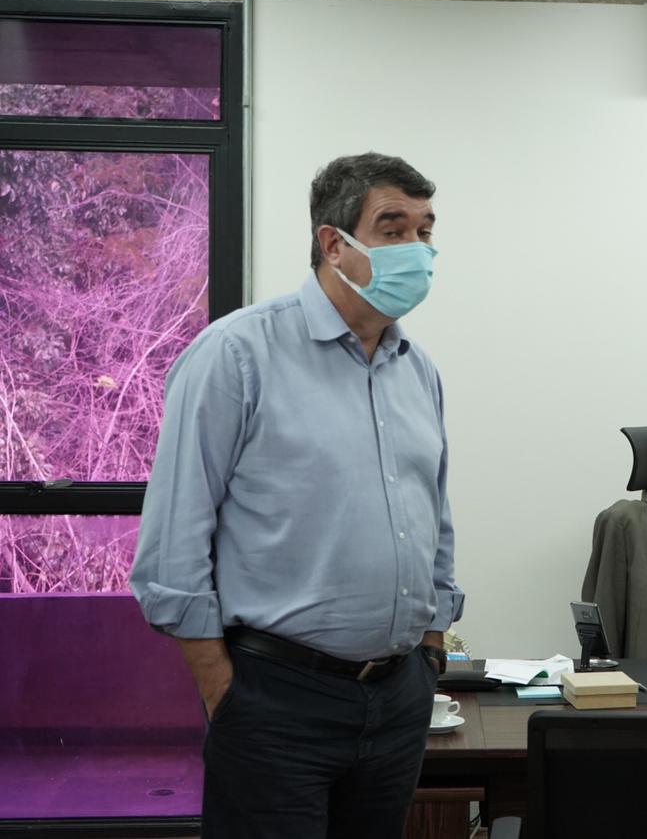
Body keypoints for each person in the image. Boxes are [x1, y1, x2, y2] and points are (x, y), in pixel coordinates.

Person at [130, 152, 464, 839]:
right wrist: (222, 690)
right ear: (333, 243)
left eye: (425, 231)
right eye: (393, 229)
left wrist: (430, 650)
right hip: (274, 700)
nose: (417, 249)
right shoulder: (236, 354)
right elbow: (173, 540)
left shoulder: (416, 370)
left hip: (398, 698)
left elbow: (435, 518)